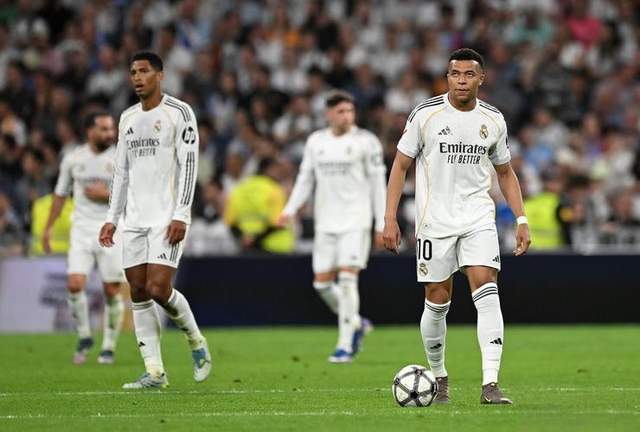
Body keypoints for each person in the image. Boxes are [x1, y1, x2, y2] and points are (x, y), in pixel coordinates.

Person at [383, 48, 531, 404]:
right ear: (447, 78)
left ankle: (490, 384)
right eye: (455, 74)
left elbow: (505, 172)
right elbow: (400, 165)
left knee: (487, 287)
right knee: (437, 299)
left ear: (481, 79)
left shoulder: (493, 119)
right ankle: (439, 377)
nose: (461, 80)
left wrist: (522, 218)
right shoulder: (425, 114)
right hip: (435, 221)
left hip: (478, 217)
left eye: (468, 74)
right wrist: (389, 218)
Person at [99, 51, 211, 389]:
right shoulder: (128, 118)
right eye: (133, 72)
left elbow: (189, 165)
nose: (137, 77)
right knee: (137, 291)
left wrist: (181, 213)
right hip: (133, 219)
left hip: (166, 217)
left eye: (144, 71)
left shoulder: (180, 112)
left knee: (158, 289)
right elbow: (121, 172)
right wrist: (112, 218)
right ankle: (155, 373)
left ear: (160, 75)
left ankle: (196, 341)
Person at [279, 90, 386, 363]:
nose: (347, 116)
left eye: (350, 111)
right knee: (322, 284)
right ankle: (357, 323)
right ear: (328, 114)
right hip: (325, 222)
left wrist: (382, 222)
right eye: (340, 111)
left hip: (356, 220)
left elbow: (378, 184)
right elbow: (305, 179)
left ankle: (345, 345)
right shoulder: (316, 142)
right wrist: (289, 210)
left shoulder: (366, 142)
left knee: (348, 280)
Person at [43, 112, 126, 365]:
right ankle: (84, 336)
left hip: (112, 228)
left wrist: (107, 195)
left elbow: (135, 193)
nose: (110, 134)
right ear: (90, 131)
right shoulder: (73, 159)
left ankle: (109, 346)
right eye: (104, 129)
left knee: (111, 290)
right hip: (81, 229)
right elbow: (60, 194)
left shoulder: (122, 157)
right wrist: (48, 227)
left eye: (111, 129)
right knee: (74, 284)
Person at [224, 157, 295, 254]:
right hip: (275, 249)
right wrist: (255, 239)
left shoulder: (239, 189)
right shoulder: (275, 190)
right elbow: (278, 222)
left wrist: (245, 239)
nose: (280, 174)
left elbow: (230, 222)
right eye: (278, 170)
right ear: (269, 169)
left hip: (247, 249)